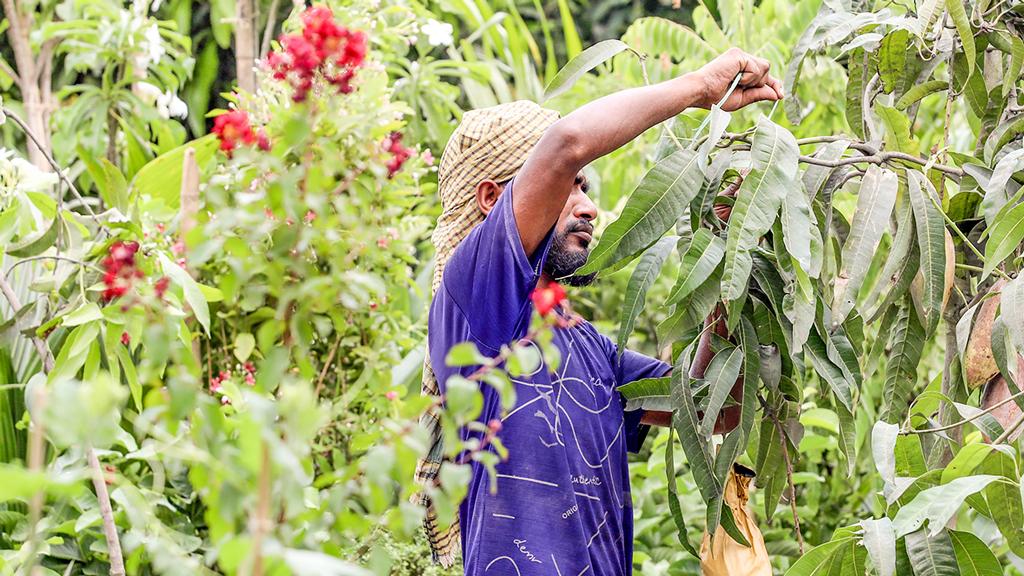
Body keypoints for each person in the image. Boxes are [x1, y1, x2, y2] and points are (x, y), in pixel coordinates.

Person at [417, 48, 784, 575]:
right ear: (492, 199)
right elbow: (566, 145)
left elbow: (710, 407)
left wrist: (731, 250)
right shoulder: (477, 303)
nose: (588, 205)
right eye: (569, 185)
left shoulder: (582, 344)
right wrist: (701, 87)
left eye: (585, 187)